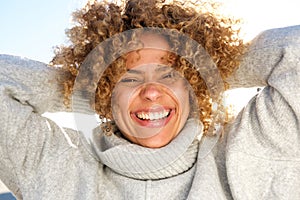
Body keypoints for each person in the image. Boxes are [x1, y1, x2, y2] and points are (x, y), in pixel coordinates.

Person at [0, 0, 299, 199]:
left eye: (170, 74)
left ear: (193, 84)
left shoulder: (245, 148)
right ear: (104, 91)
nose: (152, 91)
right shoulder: (57, 165)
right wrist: (83, 88)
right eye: (129, 78)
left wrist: (212, 71)